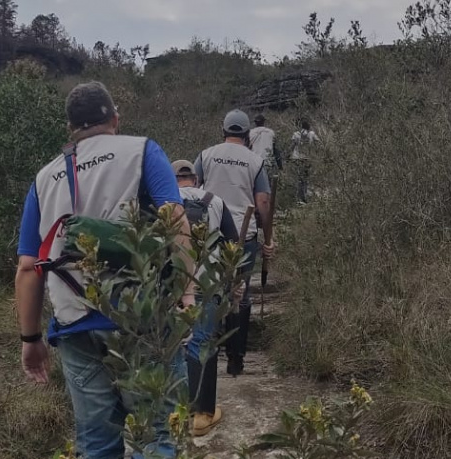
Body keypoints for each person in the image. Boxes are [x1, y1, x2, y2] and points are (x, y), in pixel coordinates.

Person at [14, 81, 194, 459]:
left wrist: (30, 340)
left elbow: (29, 267)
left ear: (70, 128)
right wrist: (185, 294)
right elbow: (175, 220)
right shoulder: (142, 150)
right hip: (142, 320)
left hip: (76, 328)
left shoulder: (44, 178)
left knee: (96, 444)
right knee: (158, 433)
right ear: (115, 118)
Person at [194, 109, 274, 376]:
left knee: (211, 292)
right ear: (247, 133)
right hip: (244, 235)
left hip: (211, 235)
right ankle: (236, 360)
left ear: (224, 129)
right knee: (241, 295)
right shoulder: (255, 161)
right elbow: (262, 202)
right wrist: (267, 236)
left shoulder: (205, 155)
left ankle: (208, 354)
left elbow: (193, 190)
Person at [173, 159, 238, 436]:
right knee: (204, 342)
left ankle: (176, 411)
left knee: (172, 345)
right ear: (196, 179)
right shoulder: (216, 201)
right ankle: (203, 415)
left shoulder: (164, 201)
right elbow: (232, 242)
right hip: (207, 282)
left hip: (171, 283)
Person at [290, 119, 320, 204]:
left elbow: (292, 146)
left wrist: (288, 155)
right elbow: (318, 143)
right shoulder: (311, 134)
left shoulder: (296, 134)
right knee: (306, 178)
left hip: (297, 159)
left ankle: (299, 198)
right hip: (307, 159)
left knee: (299, 178)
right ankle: (305, 197)